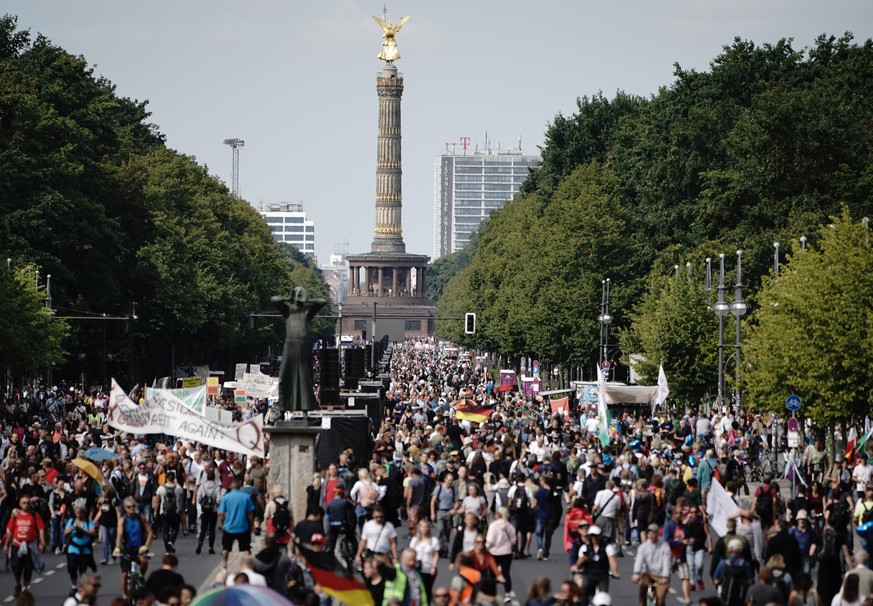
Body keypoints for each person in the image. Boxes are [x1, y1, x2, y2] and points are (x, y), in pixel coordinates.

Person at [4, 495, 47, 597]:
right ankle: (18, 584)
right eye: (24, 503)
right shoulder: (15, 516)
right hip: (17, 545)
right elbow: (10, 531)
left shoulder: (34, 515)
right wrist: (6, 545)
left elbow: (41, 529)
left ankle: (25, 588)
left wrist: (42, 542)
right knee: (16, 567)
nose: (26, 505)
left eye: (28, 503)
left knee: (28, 568)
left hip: (30, 546)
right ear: (19, 504)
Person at [114, 495, 154, 600]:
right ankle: (125, 595)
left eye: (133, 506)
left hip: (139, 547)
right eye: (129, 507)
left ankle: (141, 576)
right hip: (126, 548)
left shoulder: (140, 518)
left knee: (144, 561)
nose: (131, 509)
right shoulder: (122, 520)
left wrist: (146, 546)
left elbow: (150, 532)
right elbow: (119, 534)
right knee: (124, 573)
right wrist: (117, 547)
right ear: (125, 508)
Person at [218, 478, 255, 570]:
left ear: (230, 486)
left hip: (229, 527)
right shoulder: (246, 497)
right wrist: (252, 525)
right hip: (243, 526)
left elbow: (221, 513)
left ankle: (224, 566)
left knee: (226, 549)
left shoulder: (226, 497)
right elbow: (250, 513)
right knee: (246, 549)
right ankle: (247, 567)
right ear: (240, 487)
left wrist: (222, 523)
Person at [632, 524, 672, 606]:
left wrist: (665, 576)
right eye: (649, 533)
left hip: (660, 575)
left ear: (657, 534)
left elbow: (666, 562)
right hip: (647, 574)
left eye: (653, 533)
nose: (651, 536)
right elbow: (639, 560)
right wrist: (636, 573)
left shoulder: (664, 546)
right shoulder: (643, 547)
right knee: (642, 588)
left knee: (660, 598)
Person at [64, 499, 98, 596]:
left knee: (83, 569)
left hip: (85, 549)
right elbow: (65, 533)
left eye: (81, 512)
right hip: (73, 548)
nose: (79, 514)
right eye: (77, 512)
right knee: (73, 567)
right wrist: (72, 529)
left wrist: (83, 530)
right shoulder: (71, 521)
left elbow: (93, 532)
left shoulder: (88, 522)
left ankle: (82, 587)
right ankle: (74, 586)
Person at [486, 507, 516, 604]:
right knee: (506, 573)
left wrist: (486, 548)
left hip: (494, 552)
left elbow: (490, 540)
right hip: (506, 552)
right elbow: (513, 540)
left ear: (497, 515)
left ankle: (492, 593)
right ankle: (507, 594)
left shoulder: (493, 525)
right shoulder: (510, 526)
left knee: (492, 574)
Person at [712, 539, 754, 606]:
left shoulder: (723, 563)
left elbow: (715, 580)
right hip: (740, 596)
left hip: (724, 595)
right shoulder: (744, 564)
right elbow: (750, 581)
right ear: (740, 550)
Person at [468, 533, 506, 603]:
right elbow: (464, 567)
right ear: (474, 543)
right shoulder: (470, 554)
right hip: (472, 577)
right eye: (478, 542)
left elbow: (494, 566)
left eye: (483, 542)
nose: (481, 544)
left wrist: (499, 576)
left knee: (492, 585)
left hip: (484, 578)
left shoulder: (488, 555)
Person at [409, 520, 440, 601]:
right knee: (416, 590)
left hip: (428, 569)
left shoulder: (433, 540)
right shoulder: (414, 540)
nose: (424, 528)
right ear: (419, 528)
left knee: (426, 590)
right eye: (422, 526)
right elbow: (411, 553)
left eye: (426, 526)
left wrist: (434, 567)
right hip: (416, 569)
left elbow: (436, 555)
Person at [154, 471, 184, 554]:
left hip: (163, 511)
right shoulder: (178, 488)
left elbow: (157, 501)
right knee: (175, 528)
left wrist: (155, 511)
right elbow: (181, 500)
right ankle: (171, 541)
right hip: (175, 511)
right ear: (174, 478)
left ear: (166, 478)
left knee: (165, 530)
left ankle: (167, 549)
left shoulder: (161, 488)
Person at [195, 468, 221, 555]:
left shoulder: (202, 487)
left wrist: (202, 503)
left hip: (204, 511)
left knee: (203, 528)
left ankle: (200, 543)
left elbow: (198, 498)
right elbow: (218, 500)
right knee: (212, 529)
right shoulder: (216, 488)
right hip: (213, 510)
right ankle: (211, 547)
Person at [432, 473, 458, 557]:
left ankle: (445, 548)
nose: (450, 482)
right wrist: (432, 513)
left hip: (449, 512)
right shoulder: (439, 488)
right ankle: (440, 548)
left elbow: (456, 501)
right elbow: (433, 501)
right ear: (445, 479)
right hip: (440, 511)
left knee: (447, 532)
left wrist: (454, 509)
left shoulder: (453, 490)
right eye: (449, 480)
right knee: (440, 529)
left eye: (451, 480)